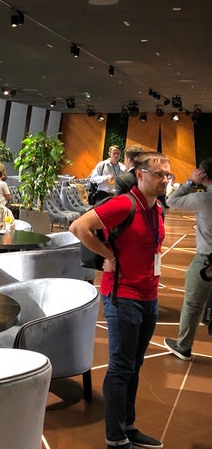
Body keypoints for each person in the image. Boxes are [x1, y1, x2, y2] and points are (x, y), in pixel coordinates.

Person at [70, 151, 170, 449]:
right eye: (158, 174)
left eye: (168, 175)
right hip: (123, 296)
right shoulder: (125, 204)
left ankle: (128, 425)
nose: (165, 180)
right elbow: (79, 227)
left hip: (149, 296)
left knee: (134, 365)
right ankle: (115, 437)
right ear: (140, 175)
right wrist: (109, 256)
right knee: (121, 367)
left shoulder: (157, 208)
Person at [164, 159, 212, 361]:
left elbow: (171, 200)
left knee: (193, 305)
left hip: (207, 262)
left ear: (203, 174)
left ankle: (183, 346)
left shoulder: (204, 198)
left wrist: (191, 182)